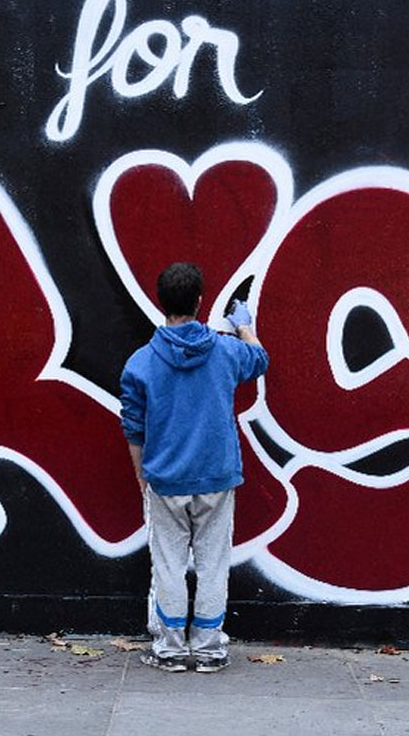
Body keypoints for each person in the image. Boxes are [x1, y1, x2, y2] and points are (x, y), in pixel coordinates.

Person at [119, 262, 269, 673]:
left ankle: (168, 650)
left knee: (167, 564)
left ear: (159, 302)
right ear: (201, 301)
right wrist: (244, 325)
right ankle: (207, 650)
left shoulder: (140, 364)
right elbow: (259, 359)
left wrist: (141, 476)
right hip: (217, 475)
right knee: (213, 564)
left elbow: (134, 429)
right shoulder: (225, 351)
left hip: (165, 479)